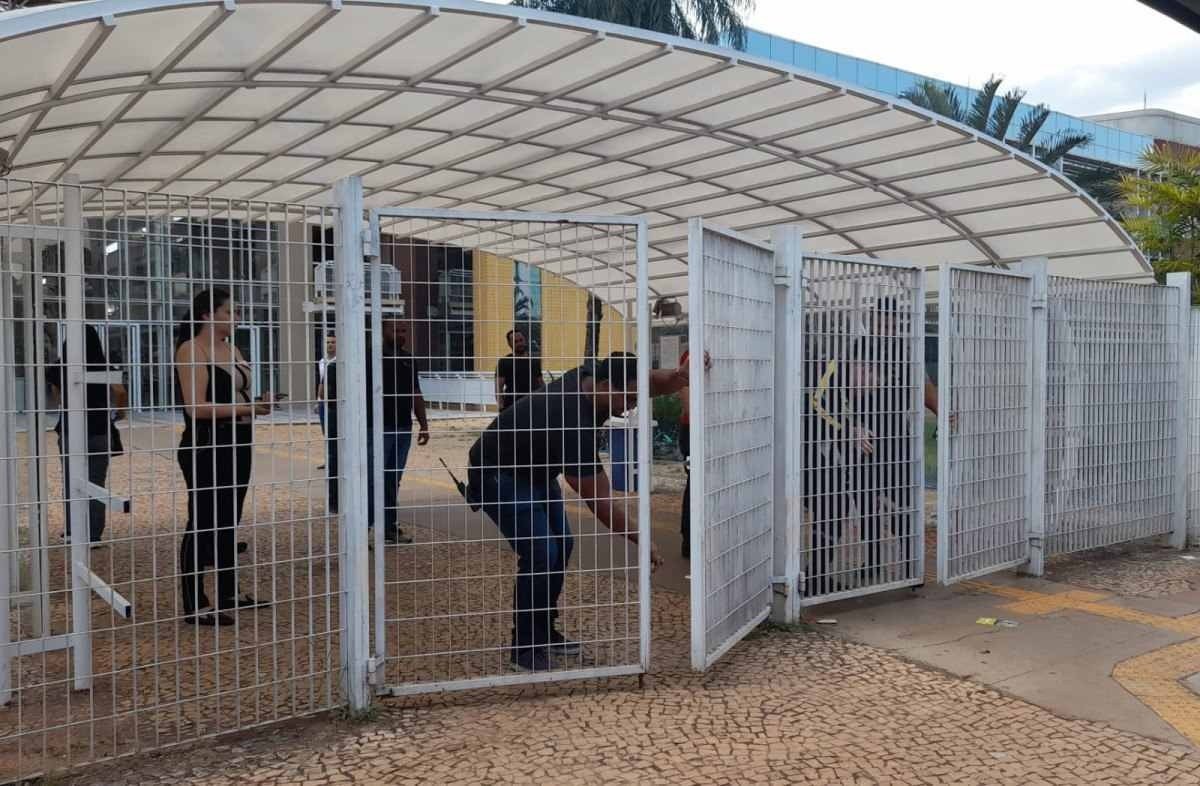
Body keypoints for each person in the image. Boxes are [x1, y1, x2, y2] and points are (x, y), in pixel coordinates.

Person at [468, 350, 708, 672]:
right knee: (541, 552)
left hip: (535, 470)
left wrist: (681, 376)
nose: (632, 405)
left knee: (562, 545)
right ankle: (525, 648)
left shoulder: (592, 379)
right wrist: (642, 539)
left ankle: (544, 631)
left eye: (636, 397)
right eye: (628, 397)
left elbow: (651, 381)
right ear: (605, 385)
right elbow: (600, 502)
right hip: (498, 473)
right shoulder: (572, 421)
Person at [175, 288, 275, 626]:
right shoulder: (192, 350)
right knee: (202, 520)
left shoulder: (232, 349)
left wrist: (260, 402)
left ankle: (229, 592)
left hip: (239, 441)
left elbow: (238, 395)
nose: (237, 317)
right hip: (206, 444)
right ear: (207, 315)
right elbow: (196, 407)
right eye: (230, 312)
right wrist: (248, 408)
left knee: (229, 518)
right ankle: (195, 603)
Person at [325, 319, 430, 544]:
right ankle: (362, 532)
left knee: (392, 480)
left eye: (403, 330)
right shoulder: (368, 358)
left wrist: (424, 424)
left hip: (402, 428)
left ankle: (388, 527)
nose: (400, 334)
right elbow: (341, 380)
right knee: (372, 481)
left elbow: (415, 392)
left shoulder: (408, 359)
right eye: (395, 330)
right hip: (375, 428)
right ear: (383, 332)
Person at [45, 324, 129, 545]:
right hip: (99, 428)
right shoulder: (104, 366)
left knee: (70, 480)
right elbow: (120, 392)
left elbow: (58, 397)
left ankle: (72, 531)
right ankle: (93, 535)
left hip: (70, 429)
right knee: (96, 482)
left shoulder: (59, 367)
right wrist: (119, 413)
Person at [495, 329, 543, 411]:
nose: (520, 343)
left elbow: (540, 382)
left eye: (521, 340)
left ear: (525, 340)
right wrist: (501, 408)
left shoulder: (534, 360)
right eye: (515, 341)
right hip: (512, 406)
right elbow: (498, 387)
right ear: (509, 344)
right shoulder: (504, 362)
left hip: (534, 404)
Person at [677, 349, 691, 560]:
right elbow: (684, 388)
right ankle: (689, 539)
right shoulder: (694, 354)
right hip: (693, 429)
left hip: (695, 427)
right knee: (695, 484)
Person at [315, 335, 335, 471]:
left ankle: (335, 459)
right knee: (326, 432)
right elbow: (321, 381)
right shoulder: (322, 361)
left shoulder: (340, 360)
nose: (330, 344)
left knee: (335, 431)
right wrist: (318, 400)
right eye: (327, 342)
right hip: (323, 401)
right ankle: (329, 459)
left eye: (333, 342)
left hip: (334, 401)